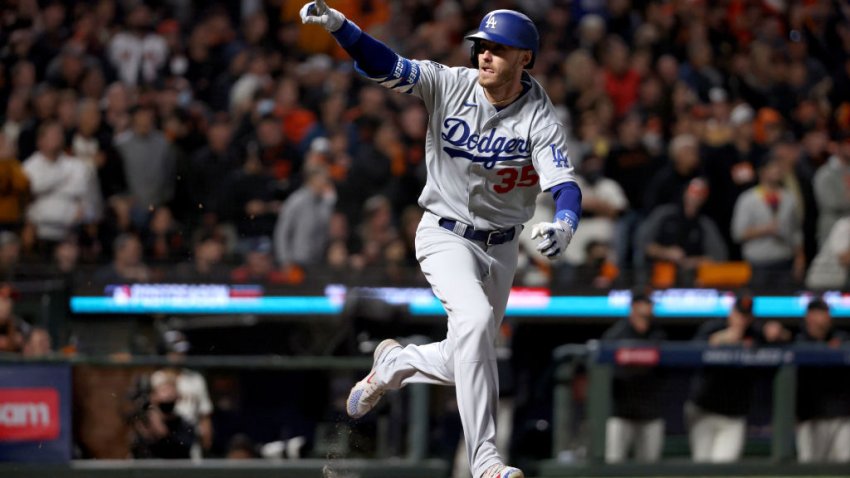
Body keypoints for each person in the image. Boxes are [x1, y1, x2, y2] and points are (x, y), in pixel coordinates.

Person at [300, 4, 582, 478]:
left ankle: (396, 363)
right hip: (445, 233)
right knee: (474, 325)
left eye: (498, 49)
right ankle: (485, 461)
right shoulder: (450, 83)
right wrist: (339, 27)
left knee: (468, 357)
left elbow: (564, 184)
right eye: (482, 46)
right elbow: (384, 65)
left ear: (525, 60)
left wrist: (566, 223)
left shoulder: (539, 114)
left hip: (503, 246)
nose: (485, 56)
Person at [685, 292, 790, 462]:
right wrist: (720, 339)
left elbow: (785, 344)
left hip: (734, 415)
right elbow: (691, 353)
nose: (742, 319)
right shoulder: (714, 327)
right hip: (704, 410)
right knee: (702, 465)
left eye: (746, 315)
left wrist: (780, 333)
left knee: (724, 468)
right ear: (731, 312)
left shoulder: (755, 333)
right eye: (739, 314)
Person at [601, 292, 667, 463]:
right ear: (634, 306)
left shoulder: (658, 334)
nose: (649, 307)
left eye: (650, 303)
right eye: (644, 303)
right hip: (621, 412)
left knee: (649, 468)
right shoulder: (616, 334)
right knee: (614, 466)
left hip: (650, 412)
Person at [795, 298, 850, 463]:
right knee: (809, 466)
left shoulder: (842, 338)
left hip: (841, 415)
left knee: (842, 466)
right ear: (809, 317)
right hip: (809, 416)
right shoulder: (798, 340)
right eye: (820, 313)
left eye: (826, 313)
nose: (825, 318)